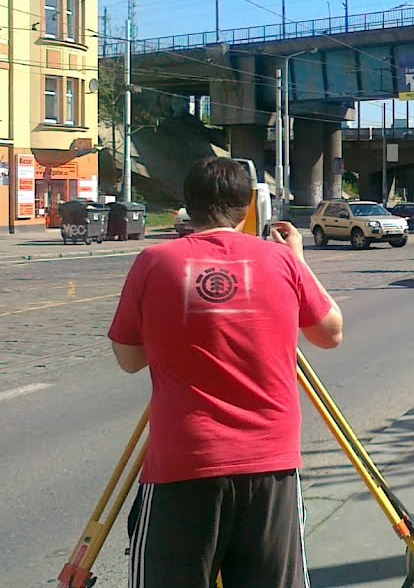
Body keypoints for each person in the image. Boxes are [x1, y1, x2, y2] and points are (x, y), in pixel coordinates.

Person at [108, 157, 343, 588]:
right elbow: (330, 334)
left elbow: (128, 359)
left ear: (187, 205)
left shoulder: (153, 262)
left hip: (184, 464)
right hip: (270, 464)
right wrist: (298, 261)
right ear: (246, 207)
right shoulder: (282, 262)